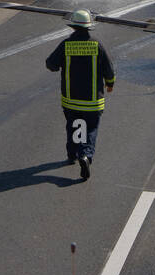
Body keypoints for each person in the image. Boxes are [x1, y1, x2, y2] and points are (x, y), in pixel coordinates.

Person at [45, 9, 115, 181]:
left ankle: (73, 153)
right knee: (90, 128)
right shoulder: (96, 45)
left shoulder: (66, 45)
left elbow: (51, 64)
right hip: (92, 101)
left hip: (70, 100)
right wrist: (110, 83)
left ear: (73, 27)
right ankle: (86, 155)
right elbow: (109, 69)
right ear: (89, 27)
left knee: (75, 125)